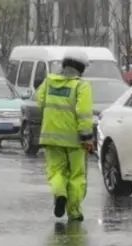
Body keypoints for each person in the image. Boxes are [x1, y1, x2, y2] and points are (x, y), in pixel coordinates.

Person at [35, 49, 95, 221]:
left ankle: (60, 194)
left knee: (56, 171)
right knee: (77, 176)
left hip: (51, 137)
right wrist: (86, 137)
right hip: (75, 140)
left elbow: (39, 101)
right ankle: (74, 211)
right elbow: (84, 113)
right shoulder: (81, 86)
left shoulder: (49, 82)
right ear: (81, 68)